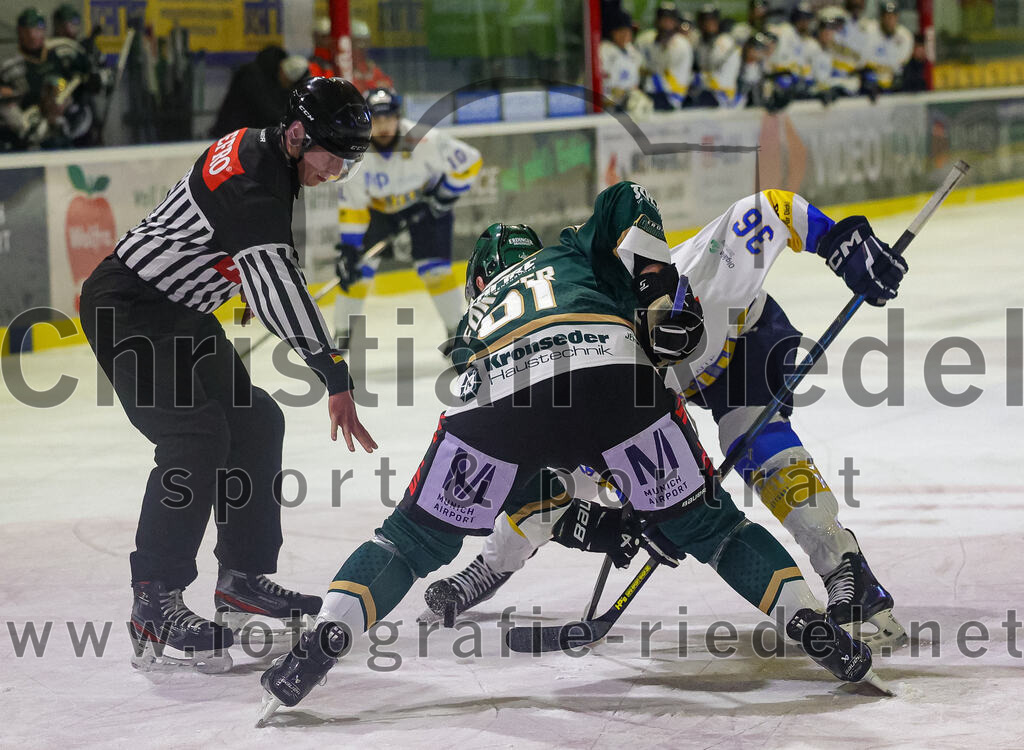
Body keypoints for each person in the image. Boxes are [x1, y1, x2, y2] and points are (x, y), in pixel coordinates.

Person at [255, 181, 886, 724]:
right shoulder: (580, 255)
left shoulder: (476, 324)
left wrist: (568, 531)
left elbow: (536, 474)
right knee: (714, 529)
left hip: (687, 360)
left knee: (406, 540)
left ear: (479, 284)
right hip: (621, 380)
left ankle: (320, 643)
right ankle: (814, 628)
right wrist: (644, 510)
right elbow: (627, 199)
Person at [423, 188, 910, 653]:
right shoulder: (571, 360)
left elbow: (770, 209)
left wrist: (842, 243)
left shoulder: (688, 279)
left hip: (743, 341)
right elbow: (562, 483)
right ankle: (489, 568)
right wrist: (647, 507)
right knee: (603, 464)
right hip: (656, 387)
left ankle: (845, 566)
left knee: (752, 439)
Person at [79, 77, 377, 673]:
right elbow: (280, 292)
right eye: (332, 158)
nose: (335, 173)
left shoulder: (260, 148)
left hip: (179, 309)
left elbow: (221, 239)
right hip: (129, 309)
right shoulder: (256, 190)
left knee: (255, 420)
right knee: (194, 437)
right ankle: (154, 599)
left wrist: (234, 275)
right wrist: (333, 372)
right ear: (298, 134)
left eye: (348, 164)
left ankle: (241, 578)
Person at [332, 86, 483, 350]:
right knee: (357, 271)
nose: (383, 125)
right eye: (376, 119)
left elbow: (471, 161)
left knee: (435, 270)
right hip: (378, 212)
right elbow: (353, 205)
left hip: (425, 206)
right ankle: (342, 334)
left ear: (398, 117)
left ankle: (457, 333)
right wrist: (350, 248)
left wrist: (443, 197)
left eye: (388, 117)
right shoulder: (354, 152)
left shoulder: (425, 140)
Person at [0, 6, 95, 149]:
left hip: (66, 126)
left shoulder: (63, 51)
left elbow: (83, 74)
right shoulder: (9, 66)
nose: (33, 35)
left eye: (38, 30)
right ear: (20, 32)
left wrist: (60, 93)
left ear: (45, 30)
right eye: (28, 30)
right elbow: (5, 97)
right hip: (27, 129)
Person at [210, 45, 309, 138]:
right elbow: (267, 110)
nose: (287, 86)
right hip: (232, 135)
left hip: (240, 134)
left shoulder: (266, 77)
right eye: (288, 82)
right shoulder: (253, 77)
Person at [636, 1, 694, 110]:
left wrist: (646, 80)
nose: (667, 24)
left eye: (670, 20)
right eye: (663, 19)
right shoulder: (645, 40)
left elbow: (672, 82)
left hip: (672, 97)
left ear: (676, 23)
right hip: (650, 93)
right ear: (657, 21)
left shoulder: (682, 45)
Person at [693, 4, 742, 107]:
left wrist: (696, 78)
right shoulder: (701, 43)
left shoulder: (725, 42)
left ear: (718, 21)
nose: (708, 23)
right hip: (708, 92)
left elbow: (719, 75)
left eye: (712, 20)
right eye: (704, 20)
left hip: (724, 95)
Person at [599, 8, 647, 113]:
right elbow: (601, 84)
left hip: (629, 105)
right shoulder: (603, 50)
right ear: (612, 32)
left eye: (627, 30)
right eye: (620, 31)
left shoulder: (633, 51)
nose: (625, 34)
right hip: (608, 108)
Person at [871, 1, 914, 91]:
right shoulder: (871, 32)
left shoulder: (905, 37)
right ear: (881, 18)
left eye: (893, 17)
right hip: (872, 83)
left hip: (893, 85)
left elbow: (902, 65)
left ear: (897, 18)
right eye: (887, 16)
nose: (890, 20)